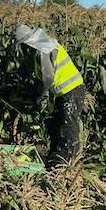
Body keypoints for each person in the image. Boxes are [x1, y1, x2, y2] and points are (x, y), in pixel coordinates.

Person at [12, 25, 85, 167]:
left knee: (67, 124)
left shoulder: (42, 49)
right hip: (63, 92)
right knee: (58, 124)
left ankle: (67, 161)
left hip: (71, 89)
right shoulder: (44, 45)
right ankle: (58, 156)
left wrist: (41, 93)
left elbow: (47, 77)